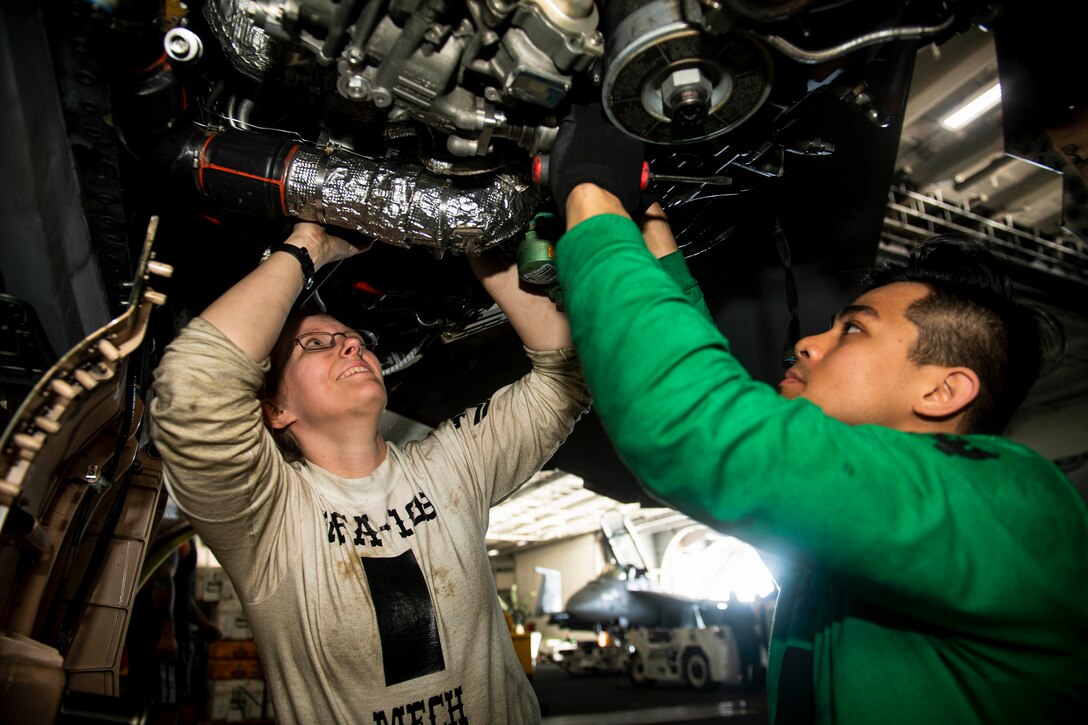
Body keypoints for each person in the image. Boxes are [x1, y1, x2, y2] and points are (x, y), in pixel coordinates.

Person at [544, 104, 1088, 722]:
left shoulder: (1016, 508)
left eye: (852, 330)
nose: (808, 343)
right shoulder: (871, 537)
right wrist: (656, 249)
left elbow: (704, 437)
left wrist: (590, 199)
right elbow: (740, 439)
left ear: (944, 391)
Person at [148, 219, 697, 723]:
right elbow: (194, 385)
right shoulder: (267, 518)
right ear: (275, 410)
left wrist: (478, 238)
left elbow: (563, 373)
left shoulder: (450, 467)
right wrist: (311, 244)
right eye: (315, 345)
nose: (348, 345)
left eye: (354, 340)